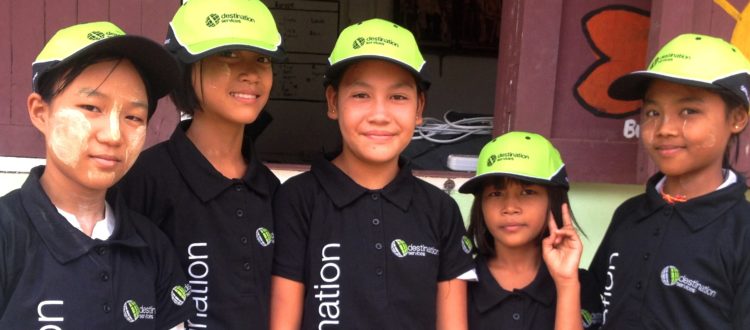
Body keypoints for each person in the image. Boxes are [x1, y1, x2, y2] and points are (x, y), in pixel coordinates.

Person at [269, 18, 475, 329]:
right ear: (332, 101)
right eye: (361, 95)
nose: (380, 115)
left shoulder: (440, 210)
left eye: (398, 97)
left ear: (419, 108)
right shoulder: (298, 200)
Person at [0, 21, 191, 328]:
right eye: (91, 107)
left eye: (133, 116)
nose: (114, 135)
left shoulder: (152, 245)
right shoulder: (7, 235)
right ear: (40, 112)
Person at [114, 0, 285, 328]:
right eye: (229, 55)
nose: (250, 73)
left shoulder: (270, 189)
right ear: (184, 68)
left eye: (262, 59)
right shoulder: (145, 180)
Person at [590, 33, 750, 328]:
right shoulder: (628, 215)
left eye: (689, 111)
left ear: (737, 117)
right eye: (652, 112)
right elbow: (592, 311)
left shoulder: (742, 232)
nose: (664, 128)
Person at [459, 131, 603, 329]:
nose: (510, 207)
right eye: (495, 193)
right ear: (480, 205)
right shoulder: (460, 281)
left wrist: (566, 284)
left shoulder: (581, 283)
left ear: (553, 202)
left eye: (528, 192)